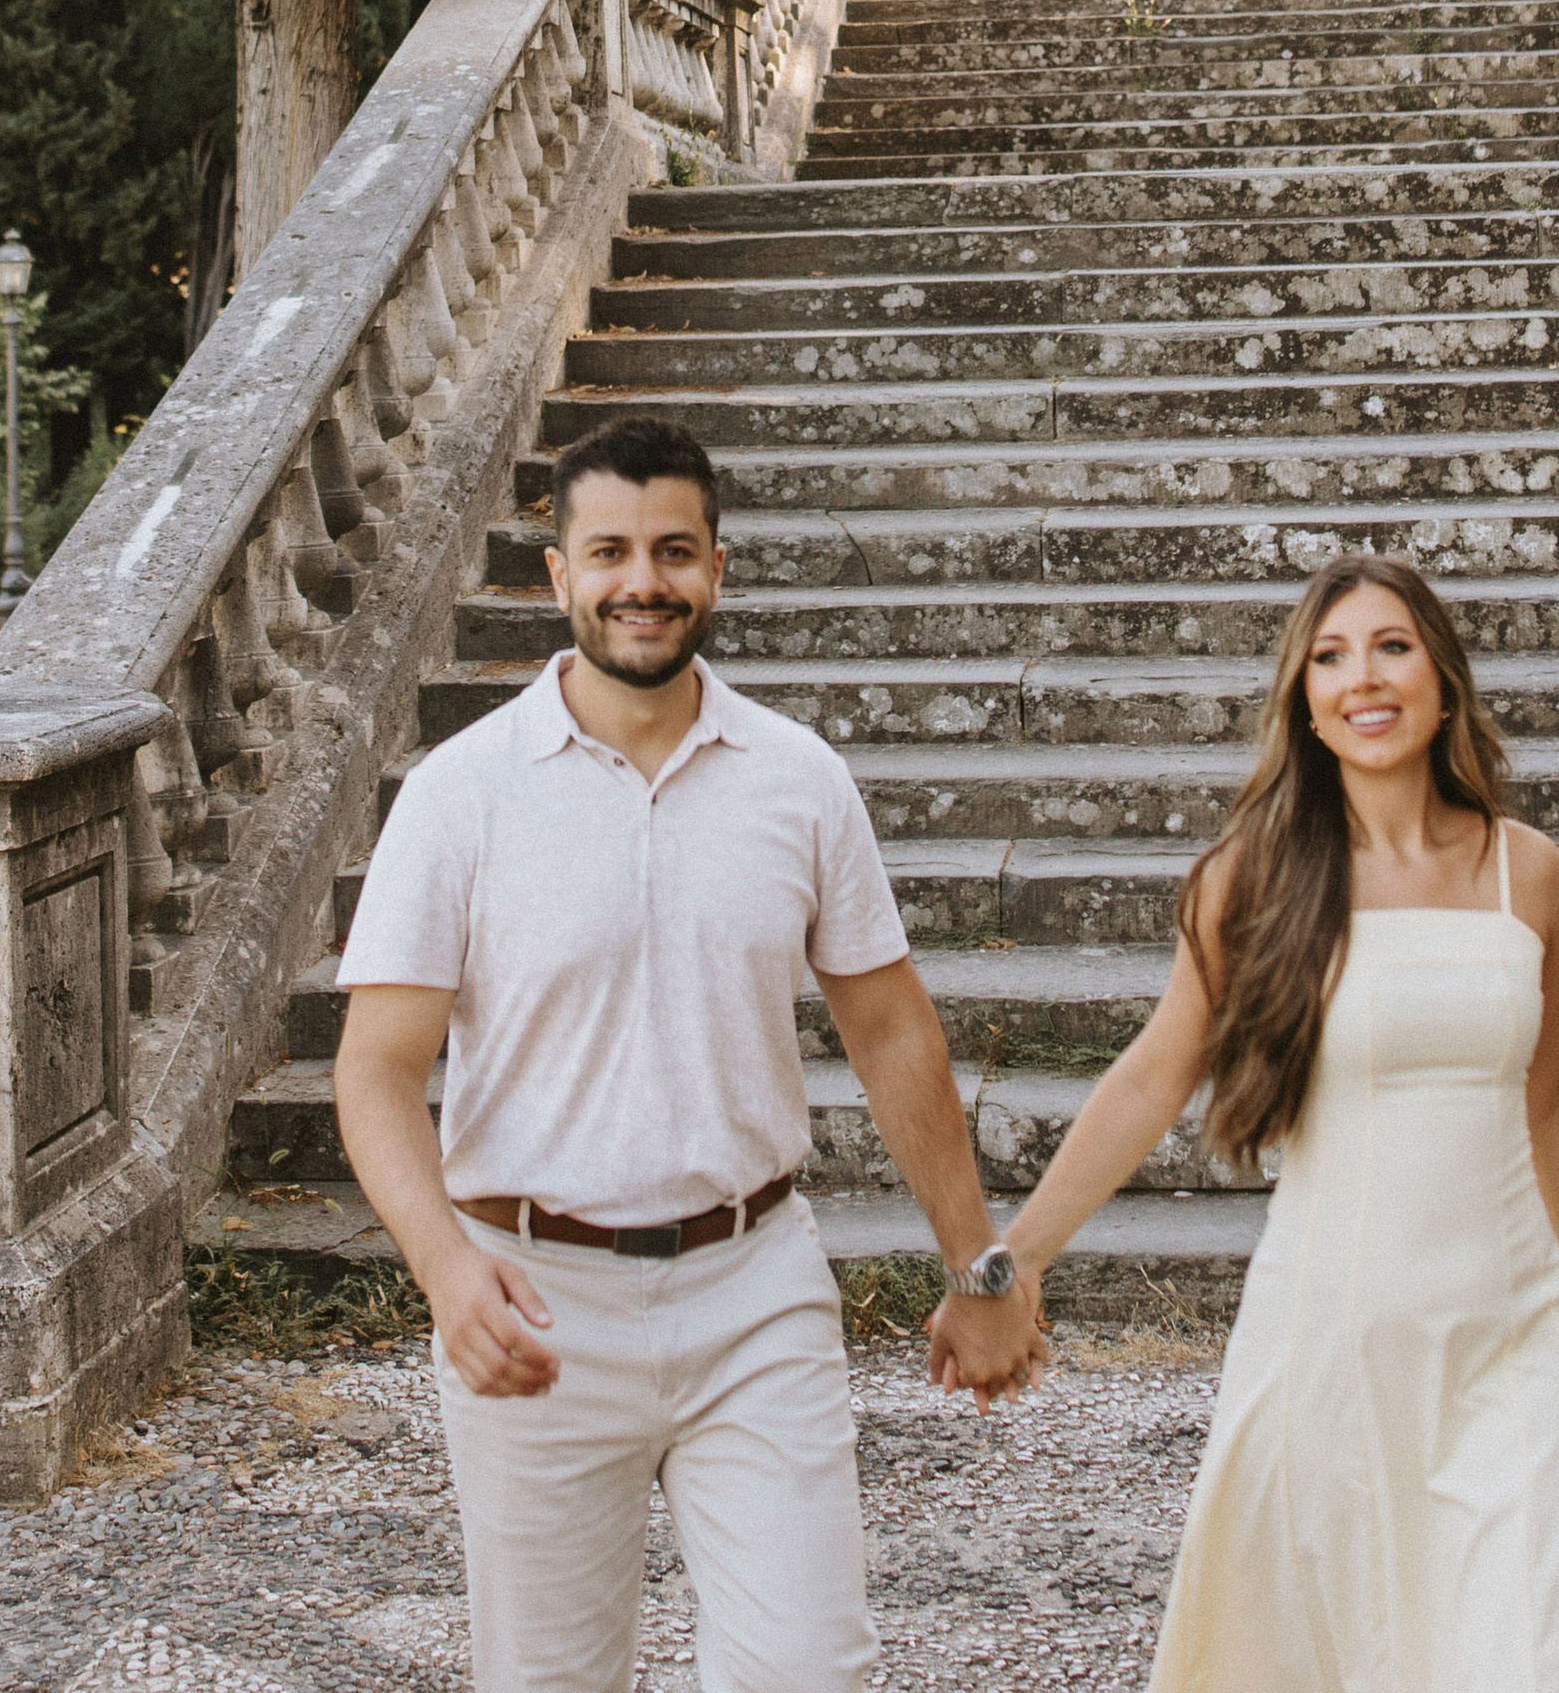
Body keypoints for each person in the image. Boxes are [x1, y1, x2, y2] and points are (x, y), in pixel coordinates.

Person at [334, 408, 1046, 1693]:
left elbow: (889, 1030)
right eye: (608, 553)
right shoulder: (460, 791)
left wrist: (978, 1269)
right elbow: (376, 1069)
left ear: (718, 567)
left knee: (807, 1670)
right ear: (557, 576)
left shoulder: (798, 777)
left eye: (673, 551)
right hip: (535, 1295)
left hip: (753, 1289)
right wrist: (446, 1272)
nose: (641, 583)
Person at [933, 550, 1559, 1693]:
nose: (1360, 679)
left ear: (1441, 679)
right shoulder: (1249, 880)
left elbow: (1550, 1090)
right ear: (1304, 703)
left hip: (1513, 1344)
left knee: (1537, 1653)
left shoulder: (1530, 873)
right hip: (1335, 1340)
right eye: (1328, 658)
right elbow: (1150, 1078)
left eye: (1389, 647)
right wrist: (1010, 1262)